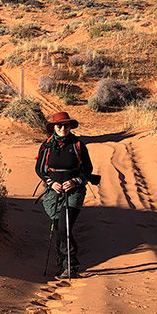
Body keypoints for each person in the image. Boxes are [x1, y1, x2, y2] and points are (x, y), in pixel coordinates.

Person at [34, 111, 95, 278]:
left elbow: (88, 169)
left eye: (66, 125)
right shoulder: (46, 146)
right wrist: (51, 183)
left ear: (70, 127)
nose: (62, 128)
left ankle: (71, 265)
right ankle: (62, 265)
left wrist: (75, 181)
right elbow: (39, 169)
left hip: (74, 192)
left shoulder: (78, 145)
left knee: (64, 227)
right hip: (53, 192)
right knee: (59, 229)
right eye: (59, 125)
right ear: (54, 127)